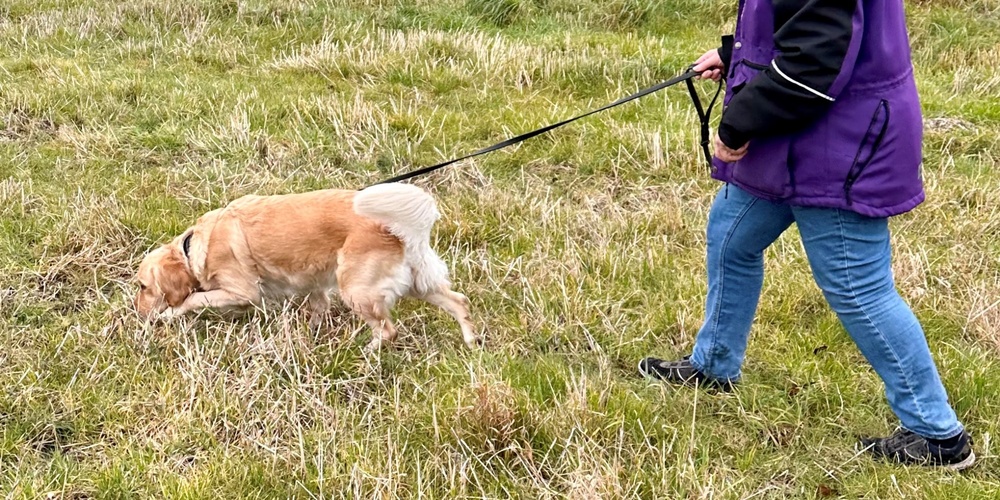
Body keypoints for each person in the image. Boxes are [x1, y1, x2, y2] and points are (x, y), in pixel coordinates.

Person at [637, 0, 975, 469]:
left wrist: (737, 124)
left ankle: (938, 434)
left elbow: (814, 62)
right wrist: (737, 55)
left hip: (838, 144)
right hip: (791, 135)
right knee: (731, 236)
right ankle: (713, 364)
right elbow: (807, 26)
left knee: (858, 288)